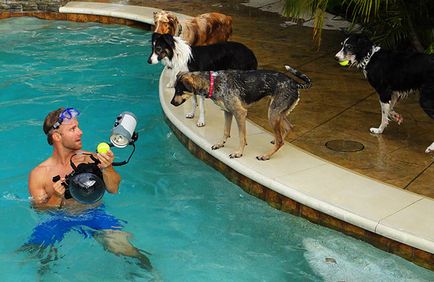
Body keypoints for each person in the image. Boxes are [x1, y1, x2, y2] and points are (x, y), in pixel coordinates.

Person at [24, 107, 151, 270]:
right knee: (36, 253)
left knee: (124, 248)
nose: (81, 132)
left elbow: (113, 188)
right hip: (58, 219)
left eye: (78, 127)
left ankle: (152, 276)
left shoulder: (90, 158)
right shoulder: (39, 174)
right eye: (73, 129)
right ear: (57, 136)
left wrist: (107, 167)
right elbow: (38, 209)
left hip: (94, 214)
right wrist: (56, 197)